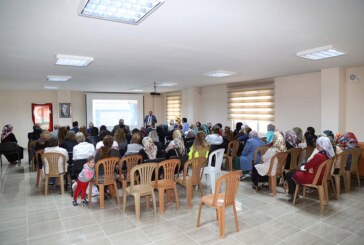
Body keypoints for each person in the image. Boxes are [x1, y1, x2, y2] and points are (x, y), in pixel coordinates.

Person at [286, 136, 335, 201]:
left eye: (317, 145)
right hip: (321, 177)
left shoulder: (318, 155)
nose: (316, 146)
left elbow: (307, 166)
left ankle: (293, 194)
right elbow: (315, 165)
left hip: (313, 178)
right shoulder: (328, 155)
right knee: (296, 171)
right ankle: (294, 193)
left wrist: (308, 167)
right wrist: (310, 167)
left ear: (321, 145)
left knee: (289, 174)